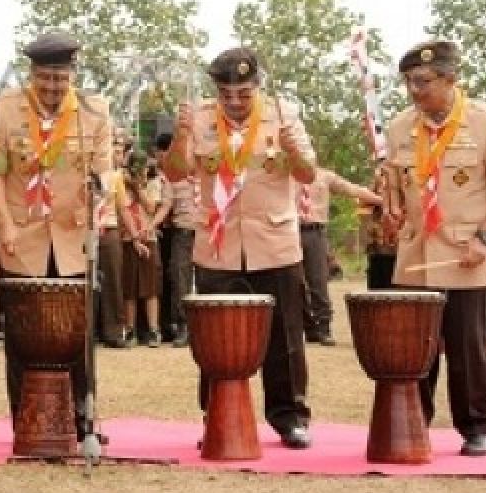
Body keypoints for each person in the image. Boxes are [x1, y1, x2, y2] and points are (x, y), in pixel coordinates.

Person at [163, 46, 317, 450]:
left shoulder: (283, 114)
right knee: (217, 339)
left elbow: (308, 173)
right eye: (225, 92)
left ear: (258, 87)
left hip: (275, 243)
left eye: (243, 93)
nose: (233, 102)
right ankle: (217, 415)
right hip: (218, 244)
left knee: (285, 337)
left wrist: (294, 151)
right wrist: (179, 138)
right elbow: (175, 173)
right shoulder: (197, 119)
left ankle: (290, 418)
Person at [384, 40, 486, 457]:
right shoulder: (399, 127)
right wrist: (389, 209)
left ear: (450, 78)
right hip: (416, 254)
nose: (415, 90)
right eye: (409, 81)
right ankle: (414, 423)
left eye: (423, 81)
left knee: (468, 348)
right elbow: (397, 189)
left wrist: (484, 238)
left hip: (468, 254)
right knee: (414, 350)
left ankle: (477, 426)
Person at [0, 31, 113, 437]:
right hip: (23, 237)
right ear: (32, 74)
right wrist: (4, 224)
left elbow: (108, 170)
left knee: (76, 332)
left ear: (71, 75)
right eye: (45, 79)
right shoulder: (6, 110)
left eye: (60, 79)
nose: (53, 88)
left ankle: (82, 418)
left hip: (73, 235)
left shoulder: (94, 112)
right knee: (24, 331)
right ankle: (24, 417)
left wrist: (101, 186)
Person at [296, 166, 382, 345]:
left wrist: (381, 200)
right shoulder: (287, 175)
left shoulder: (325, 176)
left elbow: (351, 189)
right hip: (289, 231)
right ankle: (307, 327)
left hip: (315, 231)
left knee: (318, 280)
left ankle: (323, 327)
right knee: (294, 282)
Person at [120, 151, 170, 347]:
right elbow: (121, 207)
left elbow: (151, 208)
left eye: (143, 168)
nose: (140, 172)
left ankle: (153, 330)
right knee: (129, 288)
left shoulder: (154, 183)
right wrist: (129, 184)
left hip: (148, 238)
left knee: (151, 288)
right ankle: (131, 330)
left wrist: (138, 188)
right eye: (136, 168)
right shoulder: (122, 185)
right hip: (127, 239)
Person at [156, 132, 197, 346]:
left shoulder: (210, 172)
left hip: (208, 235)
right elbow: (165, 206)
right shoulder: (173, 179)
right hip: (182, 233)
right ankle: (183, 326)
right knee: (179, 278)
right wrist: (150, 225)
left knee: (209, 279)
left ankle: (207, 328)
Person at [96, 134, 128, 347]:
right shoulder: (83, 173)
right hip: (84, 232)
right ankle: (85, 332)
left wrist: (133, 234)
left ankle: (114, 331)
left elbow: (122, 208)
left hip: (109, 229)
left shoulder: (116, 177)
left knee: (113, 281)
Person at [365, 166, 399, 289]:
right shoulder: (379, 175)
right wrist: (384, 201)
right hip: (377, 244)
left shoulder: (404, 172)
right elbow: (365, 199)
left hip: (398, 245)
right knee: (376, 289)